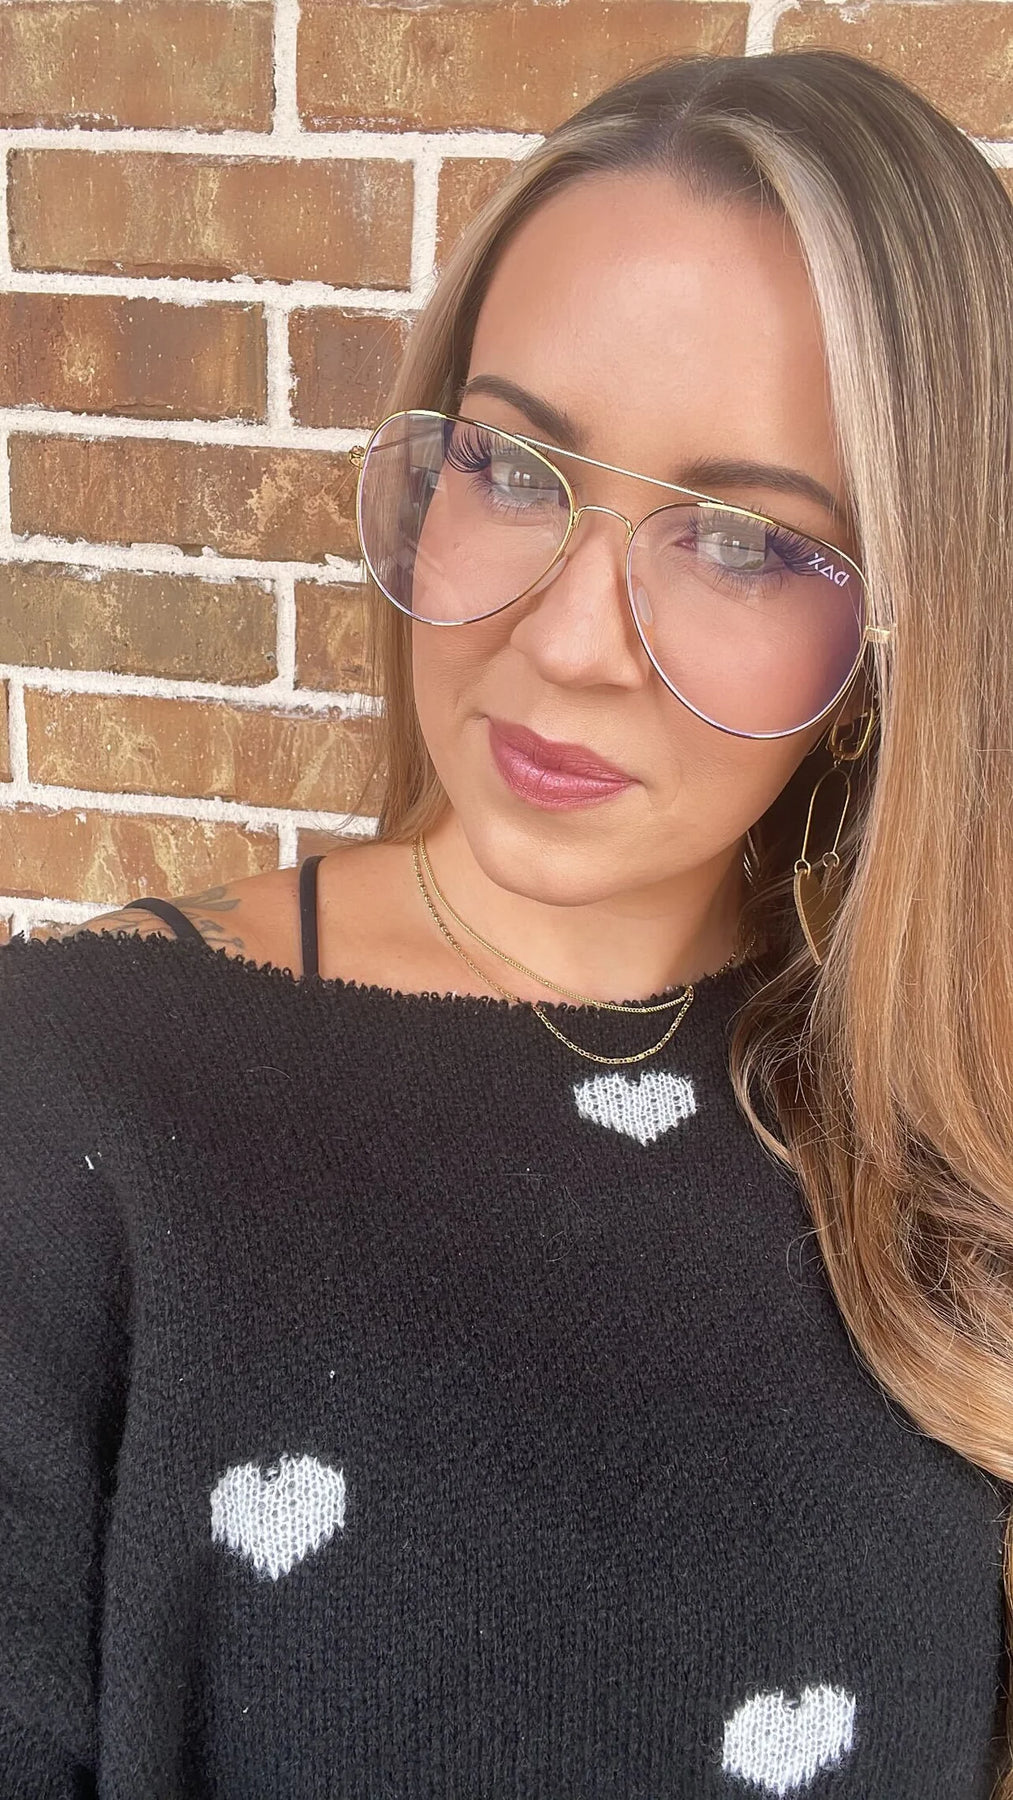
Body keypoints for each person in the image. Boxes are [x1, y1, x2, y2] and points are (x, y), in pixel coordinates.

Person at [2, 44, 1012, 1799]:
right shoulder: (69, 1096)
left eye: (745, 543)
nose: (563, 639)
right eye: (513, 468)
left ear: (893, 643)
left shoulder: (944, 1138)